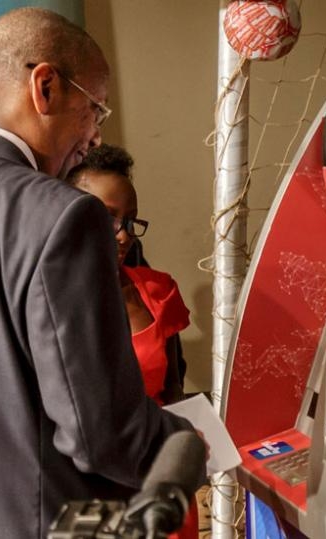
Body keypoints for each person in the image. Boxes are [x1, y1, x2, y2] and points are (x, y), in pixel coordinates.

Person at [0, 7, 203, 539]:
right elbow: (97, 431)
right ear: (45, 86)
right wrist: (181, 443)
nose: (95, 136)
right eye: (95, 109)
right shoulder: (64, 214)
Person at [66, 143, 198, 538]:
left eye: (131, 221)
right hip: (87, 488)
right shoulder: (50, 301)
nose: (122, 236)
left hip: (157, 477)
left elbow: (174, 389)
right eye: (107, 217)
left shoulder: (157, 290)